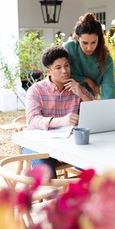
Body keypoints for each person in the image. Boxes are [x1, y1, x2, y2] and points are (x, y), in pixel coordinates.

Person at [22, 46, 94, 178]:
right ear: (49, 71)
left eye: (66, 65)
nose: (65, 71)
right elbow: (32, 120)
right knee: (47, 174)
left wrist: (81, 94)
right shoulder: (36, 90)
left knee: (94, 168)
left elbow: (95, 111)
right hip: (38, 144)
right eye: (58, 67)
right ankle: (53, 198)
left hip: (68, 145)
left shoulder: (76, 87)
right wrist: (62, 121)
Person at [64, 12, 115, 99]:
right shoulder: (69, 48)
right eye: (85, 43)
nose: (89, 48)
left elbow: (109, 89)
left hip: (88, 100)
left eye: (93, 42)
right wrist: (87, 80)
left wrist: (108, 109)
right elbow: (60, 74)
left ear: (99, 40)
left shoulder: (106, 59)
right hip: (65, 98)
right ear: (78, 38)